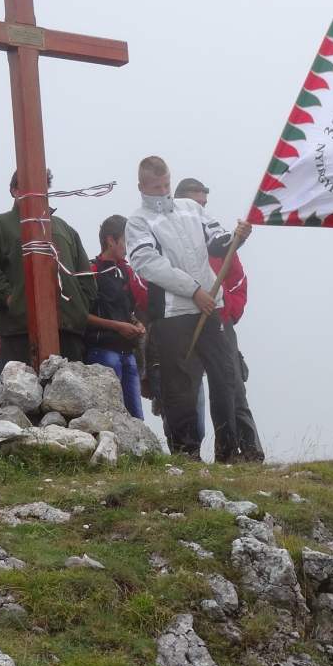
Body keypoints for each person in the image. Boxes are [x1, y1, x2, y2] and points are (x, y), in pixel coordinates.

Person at [126, 156, 251, 458]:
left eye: (166, 184)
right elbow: (148, 264)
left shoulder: (191, 209)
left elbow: (218, 241)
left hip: (209, 309)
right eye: (156, 186)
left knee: (225, 376)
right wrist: (193, 290)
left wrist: (237, 237)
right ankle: (187, 453)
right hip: (171, 316)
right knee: (180, 387)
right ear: (142, 186)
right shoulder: (137, 222)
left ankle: (228, 451)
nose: (163, 190)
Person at [173, 178, 263, 462]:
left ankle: (247, 452)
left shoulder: (220, 242)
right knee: (186, 391)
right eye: (196, 203)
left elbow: (237, 280)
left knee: (232, 385)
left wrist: (228, 312)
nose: (202, 209)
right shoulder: (170, 237)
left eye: (204, 204)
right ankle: (187, 456)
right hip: (183, 323)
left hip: (220, 323)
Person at [0, 169, 96, 366]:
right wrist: (12, 299)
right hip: (19, 333)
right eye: (27, 185)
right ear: (14, 190)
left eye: (42, 186)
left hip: (68, 332)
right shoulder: (0, 226)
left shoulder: (65, 229)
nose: (37, 190)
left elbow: (85, 276)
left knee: (69, 396)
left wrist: (78, 307)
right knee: (21, 395)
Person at [84, 214, 145, 418]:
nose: (129, 246)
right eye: (126, 240)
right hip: (102, 351)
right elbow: (81, 315)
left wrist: (137, 323)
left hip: (127, 352)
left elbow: (128, 311)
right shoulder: (91, 271)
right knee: (109, 415)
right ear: (111, 240)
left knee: (136, 417)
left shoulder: (125, 271)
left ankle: (141, 451)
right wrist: (118, 326)